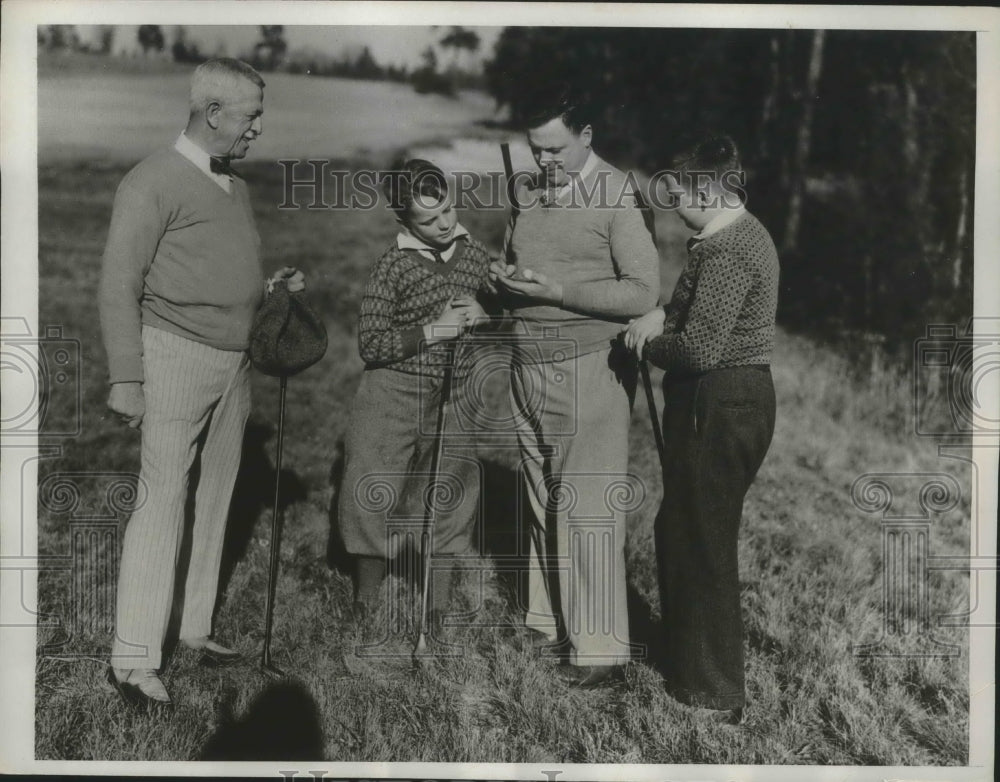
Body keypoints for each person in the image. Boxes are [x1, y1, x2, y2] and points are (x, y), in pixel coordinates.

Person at [99, 58, 304, 709]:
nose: (259, 129)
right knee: (162, 501)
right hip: (173, 360)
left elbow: (216, 271)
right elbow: (117, 283)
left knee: (216, 499)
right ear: (213, 113)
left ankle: (192, 628)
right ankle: (133, 661)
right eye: (251, 117)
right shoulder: (151, 181)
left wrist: (270, 291)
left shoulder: (232, 185)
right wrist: (127, 378)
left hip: (234, 365)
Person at [490, 86, 660, 688]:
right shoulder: (530, 189)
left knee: (587, 506)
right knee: (541, 496)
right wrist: (502, 279)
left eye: (556, 150)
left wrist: (557, 294)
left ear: (586, 137)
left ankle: (600, 653)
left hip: (591, 366)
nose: (545, 163)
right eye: (536, 151)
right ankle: (547, 619)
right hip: (526, 359)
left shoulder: (618, 195)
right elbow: (523, 256)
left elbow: (642, 292)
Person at [624, 133, 779, 722]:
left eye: (680, 195)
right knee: (684, 527)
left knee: (704, 540)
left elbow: (700, 347)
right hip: (726, 400)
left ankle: (714, 693)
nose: (671, 205)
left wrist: (646, 339)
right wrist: (662, 311)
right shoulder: (726, 236)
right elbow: (696, 308)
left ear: (710, 191)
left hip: (721, 402)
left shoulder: (730, 248)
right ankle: (689, 664)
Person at [337, 158, 494, 631]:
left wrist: (488, 310)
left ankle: (438, 600)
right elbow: (371, 342)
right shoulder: (392, 266)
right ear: (403, 220)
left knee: (452, 487)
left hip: (457, 390)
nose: (445, 223)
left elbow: (500, 297)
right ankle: (366, 595)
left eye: (448, 209)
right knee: (371, 485)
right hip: (393, 390)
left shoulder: (474, 254)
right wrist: (433, 329)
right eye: (429, 219)